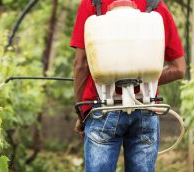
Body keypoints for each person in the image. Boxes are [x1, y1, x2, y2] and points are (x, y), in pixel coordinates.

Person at [71, 0, 186, 171]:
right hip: (146, 108)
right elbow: (179, 69)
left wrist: (81, 112)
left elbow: (81, 65)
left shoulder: (92, 4)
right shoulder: (155, 5)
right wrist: (141, 80)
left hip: (102, 109)